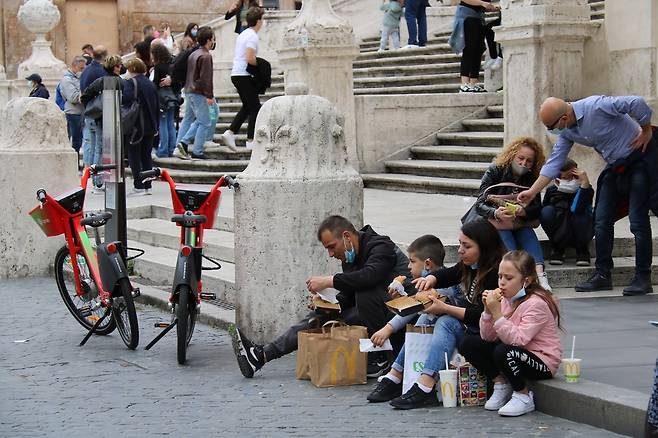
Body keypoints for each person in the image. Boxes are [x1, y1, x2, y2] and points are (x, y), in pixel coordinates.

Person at [231, 215, 413, 379]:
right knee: (322, 314)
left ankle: (380, 358)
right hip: (373, 309)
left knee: (365, 292)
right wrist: (329, 303)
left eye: (332, 247)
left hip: (401, 311)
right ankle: (261, 356)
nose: (331, 254)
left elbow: (370, 276)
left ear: (347, 236)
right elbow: (349, 295)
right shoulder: (350, 259)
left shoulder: (380, 246)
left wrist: (329, 281)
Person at [518, 95, 657, 296]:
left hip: (639, 162)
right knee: (600, 220)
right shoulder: (568, 132)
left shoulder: (597, 106)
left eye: (551, 126)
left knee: (637, 221)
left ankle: (643, 277)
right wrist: (531, 192)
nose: (551, 131)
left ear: (564, 118)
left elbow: (636, 102)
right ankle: (602, 275)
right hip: (615, 167)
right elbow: (554, 163)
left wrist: (646, 130)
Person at [369, 219, 505, 408]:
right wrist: (431, 278)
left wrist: (445, 308)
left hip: (490, 333)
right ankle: (396, 375)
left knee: (445, 321)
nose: (460, 250)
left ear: (484, 247)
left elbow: (482, 314)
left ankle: (425, 386)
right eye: (459, 244)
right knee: (427, 316)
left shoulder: (496, 273)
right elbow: (449, 274)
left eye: (466, 246)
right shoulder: (470, 266)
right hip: (476, 328)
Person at [459, 250, 562, 417]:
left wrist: (497, 314)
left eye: (509, 278)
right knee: (469, 343)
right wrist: (487, 312)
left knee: (503, 351)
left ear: (526, 281)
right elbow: (487, 337)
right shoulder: (507, 300)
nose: (502, 283)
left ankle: (523, 395)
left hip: (542, 360)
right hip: (516, 353)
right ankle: (500, 383)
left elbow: (518, 340)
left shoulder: (536, 304)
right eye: (500, 277)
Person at [472, 137, 551, 290]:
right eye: (520, 158)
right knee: (505, 230)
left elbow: (537, 208)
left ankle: (540, 275)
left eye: (529, 161)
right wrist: (495, 212)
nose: (524, 163)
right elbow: (480, 202)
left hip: (519, 221)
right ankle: (516, 273)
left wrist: (524, 211)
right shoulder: (495, 170)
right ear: (512, 155)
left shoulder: (532, 177)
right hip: (495, 221)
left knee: (526, 231)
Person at [222, 7, 264, 151]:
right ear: (259, 21)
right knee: (255, 108)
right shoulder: (252, 36)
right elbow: (250, 58)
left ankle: (230, 132)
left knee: (248, 106)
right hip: (243, 75)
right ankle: (250, 141)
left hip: (237, 74)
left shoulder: (243, 33)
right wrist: (263, 66)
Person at [540, 158, 594, 266]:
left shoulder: (586, 188)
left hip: (579, 229)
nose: (570, 180)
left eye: (572, 177)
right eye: (565, 178)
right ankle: (557, 248)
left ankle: (582, 250)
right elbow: (546, 210)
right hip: (559, 230)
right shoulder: (552, 190)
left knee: (583, 214)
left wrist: (584, 185)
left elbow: (579, 208)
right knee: (546, 211)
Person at [80, 54, 122, 192]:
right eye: (117, 65)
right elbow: (85, 96)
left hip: (106, 119)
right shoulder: (112, 81)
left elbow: (85, 96)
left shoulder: (106, 81)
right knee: (100, 148)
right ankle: (98, 181)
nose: (120, 67)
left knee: (102, 148)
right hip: (103, 120)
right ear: (112, 67)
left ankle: (102, 180)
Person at [174, 26, 215, 160]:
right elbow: (205, 78)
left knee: (194, 120)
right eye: (213, 39)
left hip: (189, 90)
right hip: (198, 92)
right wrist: (209, 95)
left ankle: (188, 148)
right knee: (205, 121)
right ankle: (187, 145)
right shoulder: (205, 56)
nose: (214, 41)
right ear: (209, 40)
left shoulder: (194, 54)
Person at [122, 58, 159, 195]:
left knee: (134, 156)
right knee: (146, 156)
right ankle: (147, 184)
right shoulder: (150, 84)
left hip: (136, 126)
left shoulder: (131, 83)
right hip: (150, 125)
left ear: (132, 69)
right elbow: (156, 106)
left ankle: (138, 184)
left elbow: (125, 99)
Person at [449, 0, 499, 92]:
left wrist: (490, 8)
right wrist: (482, 3)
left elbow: (481, 6)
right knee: (469, 49)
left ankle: (473, 83)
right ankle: (464, 83)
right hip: (467, 17)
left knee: (478, 50)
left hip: (478, 18)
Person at [151, 43, 179, 158]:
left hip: (162, 99)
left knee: (162, 124)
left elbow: (155, 84)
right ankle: (172, 148)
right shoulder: (172, 65)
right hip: (172, 98)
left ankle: (163, 150)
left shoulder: (158, 67)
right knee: (170, 124)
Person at [59, 56, 87, 159]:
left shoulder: (78, 78)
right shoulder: (67, 80)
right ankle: (73, 161)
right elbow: (73, 97)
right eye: (81, 68)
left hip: (80, 112)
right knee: (75, 140)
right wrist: (86, 93)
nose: (83, 71)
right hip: (73, 113)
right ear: (74, 66)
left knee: (80, 140)